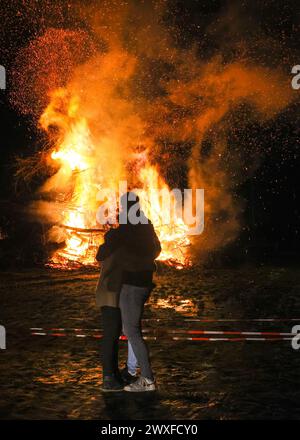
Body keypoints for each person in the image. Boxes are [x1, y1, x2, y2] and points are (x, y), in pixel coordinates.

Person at [95, 191, 161, 392]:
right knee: (132, 329)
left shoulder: (124, 230)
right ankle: (130, 371)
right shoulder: (146, 225)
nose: (120, 211)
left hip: (127, 285)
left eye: (121, 208)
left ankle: (143, 379)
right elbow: (157, 250)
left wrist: (112, 235)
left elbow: (101, 255)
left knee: (127, 331)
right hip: (143, 283)